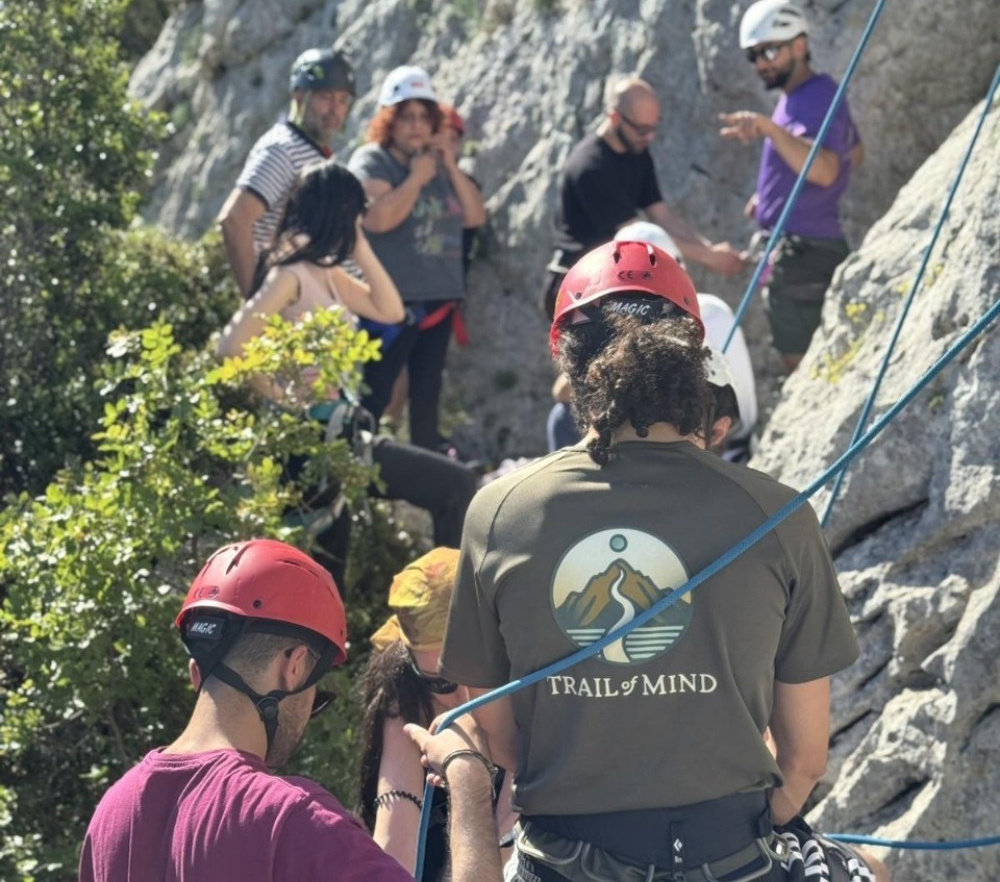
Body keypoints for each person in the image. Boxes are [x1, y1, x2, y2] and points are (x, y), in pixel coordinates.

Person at [440, 238, 883, 882]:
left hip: (562, 861)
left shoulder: (498, 513)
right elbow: (805, 760)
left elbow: (505, 743)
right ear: (693, 356)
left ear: (563, 358)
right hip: (729, 853)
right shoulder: (780, 515)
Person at [78, 538, 503, 882]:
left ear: (197, 674)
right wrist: (468, 779)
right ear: (295, 666)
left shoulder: (111, 815)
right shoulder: (292, 822)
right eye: (315, 695)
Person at [217, 159, 478, 586]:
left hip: (338, 438)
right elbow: (230, 348)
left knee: (326, 576)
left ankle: (436, 615)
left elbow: (391, 310)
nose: (361, 222)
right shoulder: (292, 273)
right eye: (356, 213)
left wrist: (358, 245)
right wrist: (287, 398)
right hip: (311, 442)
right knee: (453, 485)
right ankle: (446, 611)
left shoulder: (327, 273)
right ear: (339, 210)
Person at [720, 0, 864, 372]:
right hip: (800, 253)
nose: (762, 64)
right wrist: (770, 196)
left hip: (804, 255)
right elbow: (853, 151)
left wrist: (768, 129)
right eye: (754, 56)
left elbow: (827, 170)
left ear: (800, 44)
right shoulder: (798, 99)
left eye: (769, 51)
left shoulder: (817, 93)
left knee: (810, 369)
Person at [348, 67, 487, 453]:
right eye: (405, 116)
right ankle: (361, 461)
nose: (415, 126)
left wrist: (451, 168)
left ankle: (429, 460)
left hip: (438, 299)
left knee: (428, 394)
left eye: (423, 116)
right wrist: (414, 180)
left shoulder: (439, 163)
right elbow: (377, 218)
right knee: (375, 393)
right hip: (389, 305)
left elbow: (475, 217)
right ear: (388, 121)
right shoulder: (372, 162)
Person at [358, 548, 516, 879]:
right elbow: (394, 854)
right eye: (442, 683)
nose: (465, 699)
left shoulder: (537, 689)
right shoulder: (404, 693)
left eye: (476, 673)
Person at [546, 220, 759, 457]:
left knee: (563, 417)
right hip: (704, 446)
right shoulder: (702, 315)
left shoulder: (711, 314)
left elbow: (565, 390)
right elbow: (744, 405)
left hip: (690, 440)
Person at [542, 75, 746, 319]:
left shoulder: (635, 150)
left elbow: (660, 212)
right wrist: (708, 258)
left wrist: (710, 249)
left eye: (654, 127)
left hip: (611, 280)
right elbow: (637, 237)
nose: (650, 137)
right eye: (642, 129)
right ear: (615, 117)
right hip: (579, 287)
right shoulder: (590, 168)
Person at [219, 47, 356, 297]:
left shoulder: (310, 151)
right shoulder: (283, 150)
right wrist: (259, 305)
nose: (335, 109)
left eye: (343, 100)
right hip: (290, 306)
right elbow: (234, 220)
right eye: (326, 97)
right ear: (299, 95)